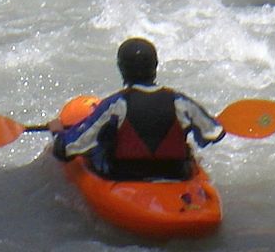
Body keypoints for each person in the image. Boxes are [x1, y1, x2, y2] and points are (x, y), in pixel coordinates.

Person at [48, 37, 225, 181]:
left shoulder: (116, 105)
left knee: (97, 144)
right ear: (155, 66)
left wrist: (58, 134)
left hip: (125, 175)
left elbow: (68, 149)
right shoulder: (180, 102)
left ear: (122, 69)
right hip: (176, 173)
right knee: (187, 148)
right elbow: (214, 133)